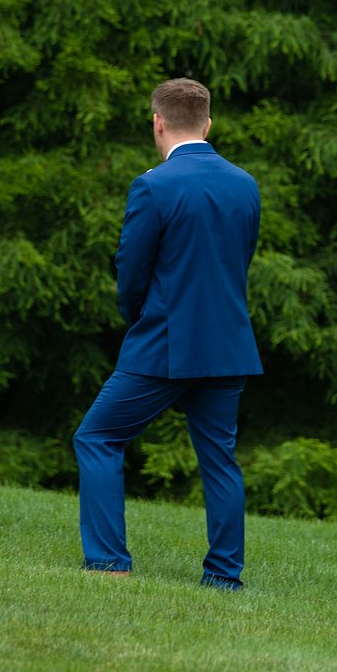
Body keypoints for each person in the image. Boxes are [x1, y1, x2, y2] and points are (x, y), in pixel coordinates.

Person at [73, 77, 262, 589]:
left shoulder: (153, 186)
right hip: (227, 347)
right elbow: (238, 262)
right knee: (220, 462)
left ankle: (109, 563)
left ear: (157, 122)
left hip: (163, 344)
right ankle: (224, 578)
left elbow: (131, 271)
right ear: (208, 122)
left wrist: (138, 319)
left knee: (97, 436)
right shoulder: (245, 184)